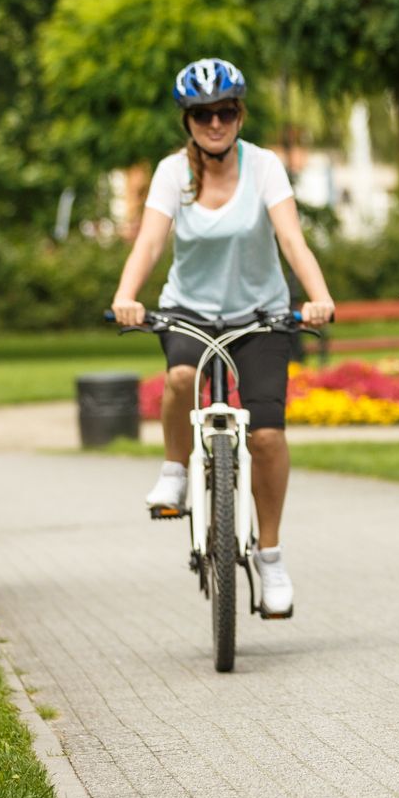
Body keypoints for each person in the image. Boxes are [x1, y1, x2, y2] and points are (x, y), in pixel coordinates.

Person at [110, 58, 337, 619]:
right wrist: (126, 295)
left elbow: (292, 240)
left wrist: (318, 296)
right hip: (188, 310)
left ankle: (272, 555)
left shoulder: (264, 167)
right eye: (203, 114)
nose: (216, 122)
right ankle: (174, 473)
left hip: (258, 315)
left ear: (240, 114)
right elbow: (149, 245)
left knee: (265, 437)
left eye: (226, 111)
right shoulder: (171, 174)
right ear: (188, 120)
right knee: (181, 376)